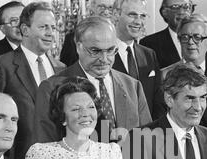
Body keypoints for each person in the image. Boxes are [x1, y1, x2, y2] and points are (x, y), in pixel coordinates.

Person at [34, 16, 151, 144]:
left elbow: (147, 142)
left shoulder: (133, 86)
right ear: (79, 47)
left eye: (111, 50)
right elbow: (46, 147)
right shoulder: (51, 88)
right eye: (95, 51)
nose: (104, 59)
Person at [0, 1, 66, 159]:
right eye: (43, 27)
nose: (50, 33)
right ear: (25, 30)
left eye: (53, 28)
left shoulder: (62, 69)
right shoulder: (2, 66)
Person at [112, 0, 166, 120]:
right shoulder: (104, 54)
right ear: (116, 15)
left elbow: (158, 100)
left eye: (142, 16)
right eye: (132, 15)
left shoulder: (149, 54)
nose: (138, 21)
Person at [140, 0, 194, 68]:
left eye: (186, 6)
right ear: (165, 13)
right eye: (175, 7)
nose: (181, 12)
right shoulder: (148, 44)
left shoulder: (204, 39)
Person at [59, 0, 115, 67]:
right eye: (102, 7)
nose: (106, 12)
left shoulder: (121, 38)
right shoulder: (72, 38)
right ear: (92, 7)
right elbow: (67, 70)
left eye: (110, 8)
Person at [161, 13, 207, 80]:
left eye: (197, 37)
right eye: (185, 37)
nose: (190, 42)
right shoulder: (166, 75)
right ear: (179, 40)